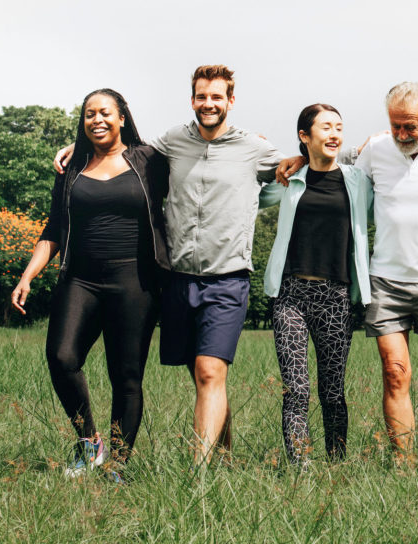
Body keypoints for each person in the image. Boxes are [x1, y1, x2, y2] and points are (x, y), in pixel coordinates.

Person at [55, 65, 283, 464]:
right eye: (201, 96)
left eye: (217, 97)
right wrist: (80, 147)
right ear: (192, 99)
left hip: (228, 276)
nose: (208, 104)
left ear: (231, 101)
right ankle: (224, 453)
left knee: (210, 373)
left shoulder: (254, 148)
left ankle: (198, 476)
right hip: (177, 278)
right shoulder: (172, 142)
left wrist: (248, 202)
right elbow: (126, 148)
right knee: (202, 375)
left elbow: (296, 170)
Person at [279, 82, 418, 459]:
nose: (401, 134)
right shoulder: (376, 152)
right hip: (386, 283)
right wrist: (301, 158)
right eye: (395, 125)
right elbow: (333, 171)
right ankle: (405, 462)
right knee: (396, 373)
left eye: (410, 126)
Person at [13, 89, 170, 481]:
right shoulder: (72, 167)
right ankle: (89, 442)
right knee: (62, 358)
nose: (96, 119)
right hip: (80, 279)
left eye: (104, 113)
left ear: (121, 118)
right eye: (88, 114)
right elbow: (52, 229)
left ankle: (117, 465)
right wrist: (27, 276)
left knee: (126, 375)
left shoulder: (149, 161)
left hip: (135, 281)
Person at [259, 104, 372, 464]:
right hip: (290, 296)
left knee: (333, 391)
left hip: (335, 296)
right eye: (325, 127)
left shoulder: (357, 181)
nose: (335, 133)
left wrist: (343, 152)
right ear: (305, 136)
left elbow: (380, 142)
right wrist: (288, 159)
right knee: (296, 389)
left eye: (339, 126)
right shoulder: (289, 181)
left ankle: (336, 464)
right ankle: (301, 466)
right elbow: (251, 196)